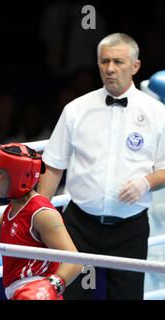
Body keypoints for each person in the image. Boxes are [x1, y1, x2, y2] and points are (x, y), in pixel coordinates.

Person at [37, 33, 165, 300]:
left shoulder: (157, 113)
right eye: (104, 61)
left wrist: (147, 182)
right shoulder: (76, 110)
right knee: (70, 297)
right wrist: (37, 218)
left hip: (130, 229)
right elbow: (54, 166)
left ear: (135, 66)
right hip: (78, 226)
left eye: (118, 61)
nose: (110, 68)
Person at [0, 143, 82, 300]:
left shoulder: (41, 213)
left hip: (38, 294)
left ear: (18, 175)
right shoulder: (12, 210)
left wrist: (48, 288)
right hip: (19, 294)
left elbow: (75, 261)